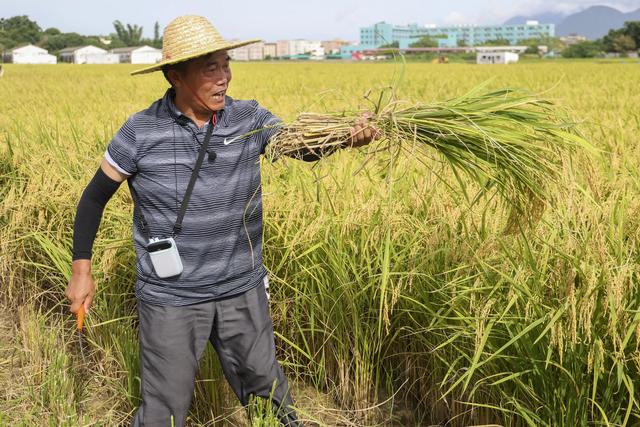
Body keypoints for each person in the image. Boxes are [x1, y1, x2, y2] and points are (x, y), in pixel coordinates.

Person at [64, 15, 377, 427]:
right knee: (164, 409)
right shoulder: (141, 131)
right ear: (175, 75)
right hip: (171, 297)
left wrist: (341, 138)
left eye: (226, 65)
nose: (223, 77)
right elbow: (93, 199)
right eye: (210, 68)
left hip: (240, 288)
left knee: (270, 397)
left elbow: (297, 146)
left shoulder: (248, 119)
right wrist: (81, 270)